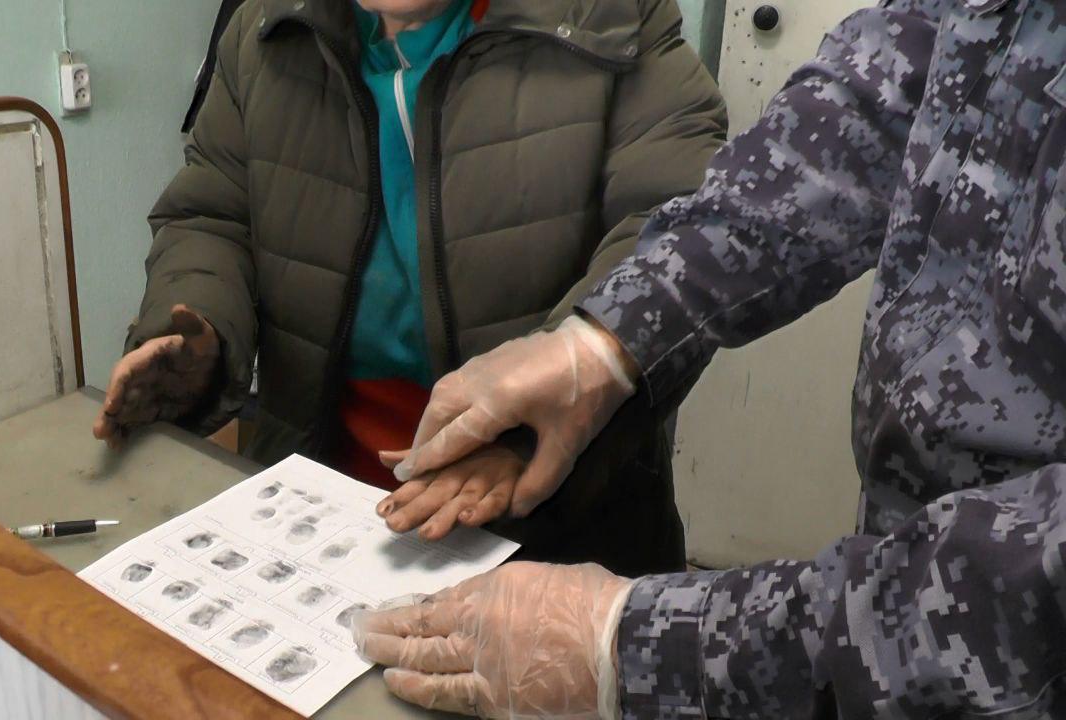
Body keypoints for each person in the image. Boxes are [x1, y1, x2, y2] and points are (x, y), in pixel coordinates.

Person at [356, 0, 1066, 716]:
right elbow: (871, 104)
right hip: (897, 572)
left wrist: (644, 648)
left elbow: (1027, 607)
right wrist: (605, 341)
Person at [92, 0, 727, 575]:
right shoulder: (265, 26)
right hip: (317, 504)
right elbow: (213, 212)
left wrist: (544, 404)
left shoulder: (612, 14)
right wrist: (201, 327)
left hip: (563, 520)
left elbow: (682, 222)